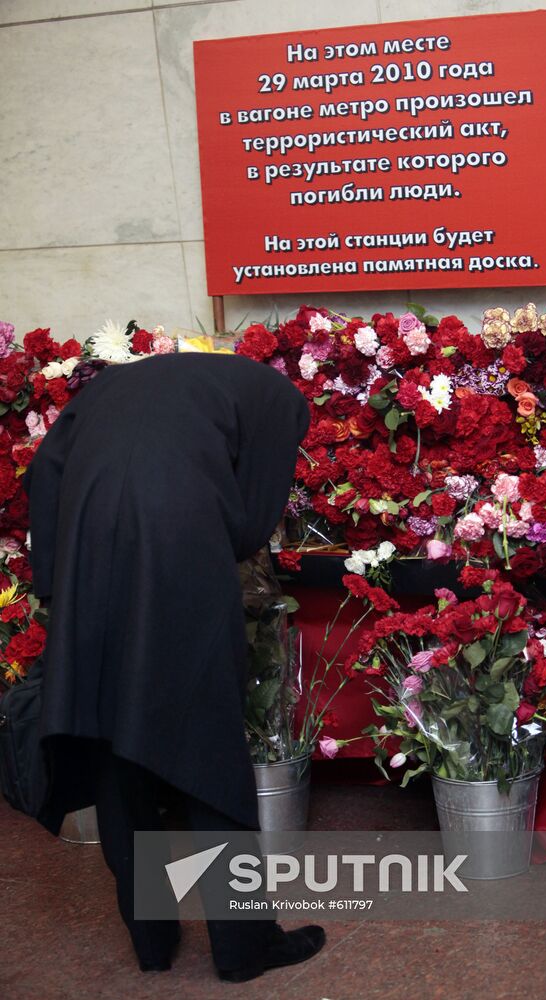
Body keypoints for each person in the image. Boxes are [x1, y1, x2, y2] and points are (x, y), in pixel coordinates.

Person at [23, 351, 325, 983]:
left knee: (116, 741)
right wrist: (226, 543)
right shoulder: (276, 399)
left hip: (87, 558)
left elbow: (45, 472)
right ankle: (244, 947)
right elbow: (255, 507)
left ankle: (152, 939)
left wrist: (57, 581)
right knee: (206, 742)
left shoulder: (116, 386)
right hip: (178, 547)